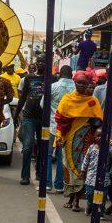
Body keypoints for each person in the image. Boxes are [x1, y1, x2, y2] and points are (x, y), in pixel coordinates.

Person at [54, 71, 103, 210]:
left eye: (84, 83)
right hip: (68, 140)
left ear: (88, 84)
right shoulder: (67, 99)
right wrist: (59, 136)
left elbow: (99, 120)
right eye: (79, 82)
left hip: (86, 140)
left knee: (83, 168)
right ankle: (70, 197)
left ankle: (76, 200)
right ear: (74, 82)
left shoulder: (92, 101)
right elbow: (59, 120)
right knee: (68, 168)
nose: (81, 85)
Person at [43, 64, 75, 192]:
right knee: (63, 156)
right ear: (71, 75)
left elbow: (42, 104)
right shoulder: (76, 89)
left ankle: (47, 183)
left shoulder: (53, 87)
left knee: (48, 154)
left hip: (52, 125)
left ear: (60, 74)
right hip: (69, 128)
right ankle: (59, 184)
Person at [15, 60, 46, 185]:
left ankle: (39, 172)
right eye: (39, 60)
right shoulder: (29, 78)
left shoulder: (52, 79)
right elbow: (22, 98)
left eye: (43, 60)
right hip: (29, 117)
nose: (40, 63)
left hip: (44, 119)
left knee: (41, 146)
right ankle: (25, 176)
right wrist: (16, 114)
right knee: (28, 146)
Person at [81, 128, 100, 215]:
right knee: (89, 193)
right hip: (91, 175)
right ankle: (89, 205)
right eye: (98, 136)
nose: (100, 138)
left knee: (100, 194)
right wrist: (83, 170)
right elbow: (86, 159)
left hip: (102, 176)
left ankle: (98, 210)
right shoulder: (91, 148)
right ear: (94, 137)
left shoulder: (107, 148)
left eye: (102, 136)